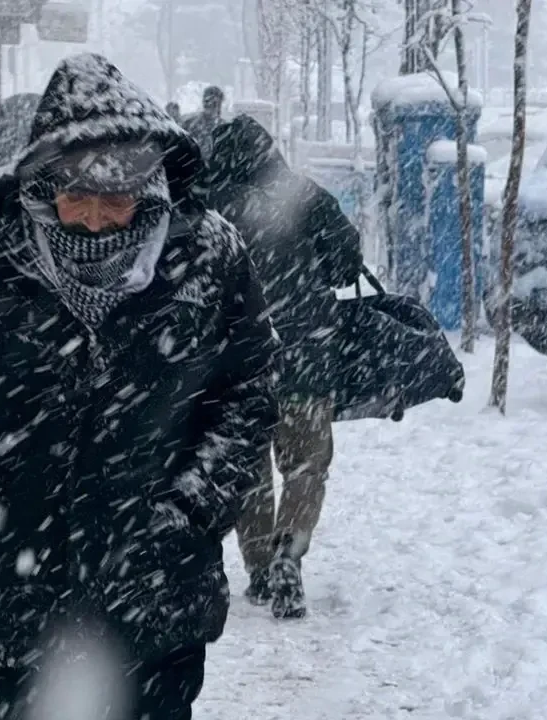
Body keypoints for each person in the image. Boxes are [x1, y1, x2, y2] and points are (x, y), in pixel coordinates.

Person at [0, 54, 277, 720]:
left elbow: (248, 394)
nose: (95, 220)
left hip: (156, 590)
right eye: (76, 197)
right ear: (42, 184)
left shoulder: (208, 258)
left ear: (151, 187)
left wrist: (188, 512)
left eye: (117, 199)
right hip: (17, 594)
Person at [205, 114, 363, 620]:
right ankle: (288, 554)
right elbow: (345, 265)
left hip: (237, 362)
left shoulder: (207, 207)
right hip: (305, 354)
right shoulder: (305, 195)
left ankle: (258, 568)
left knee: (249, 466)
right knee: (305, 465)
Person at [180, 86, 225, 157]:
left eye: (214, 103)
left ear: (219, 104)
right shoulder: (189, 124)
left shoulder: (225, 128)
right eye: (206, 101)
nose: (209, 104)